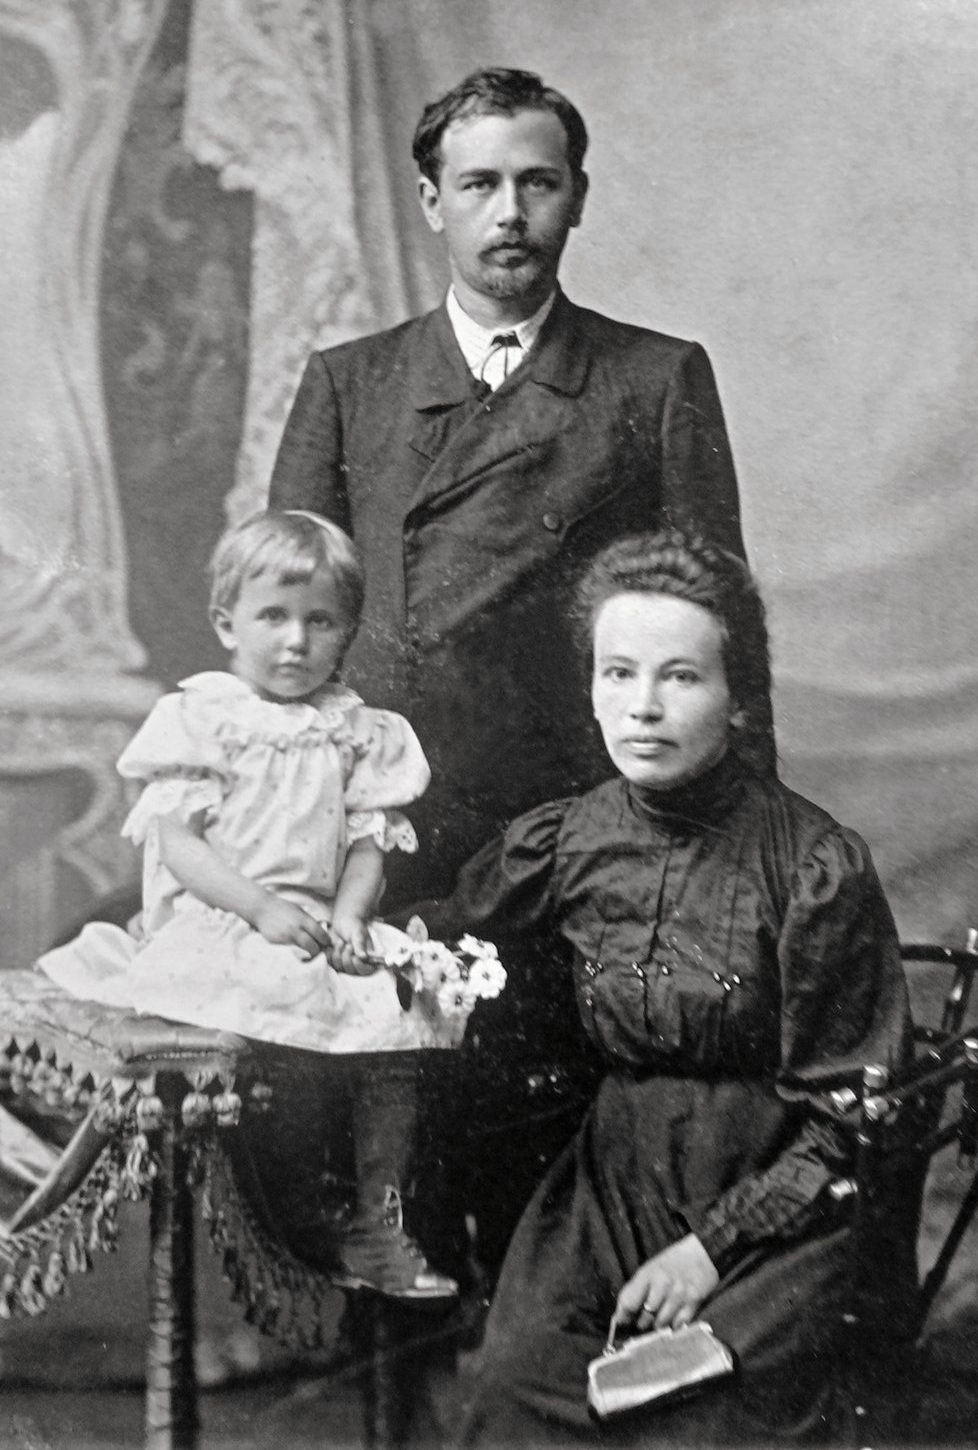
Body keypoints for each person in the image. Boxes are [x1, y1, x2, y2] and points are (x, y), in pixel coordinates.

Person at [270, 66, 768, 1260]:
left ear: (577, 200)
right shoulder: (352, 381)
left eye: (536, 184)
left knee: (538, 1130)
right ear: (430, 200)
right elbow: (285, 617)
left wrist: (733, 840)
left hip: (571, 818)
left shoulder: (651, 379)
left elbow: (718, 627)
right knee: (375, 1130)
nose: (509, 214)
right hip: (382, 815)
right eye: (479, 183)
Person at [410, 527, 913, 1445]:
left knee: (685, 1411)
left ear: (738, 698)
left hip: (783, 1206)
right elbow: (432, 934)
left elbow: (851, 1117)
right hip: (612, 1182)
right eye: (617, 673)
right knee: (519, 1388)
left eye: (679, 677)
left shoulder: (812, 867)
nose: (642, 707)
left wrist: (710, 1251)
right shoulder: (566, 840)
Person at [36, 509, 462, 1301]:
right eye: (274, 617)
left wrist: (349, 917)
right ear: (227, 622)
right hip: (226, 918)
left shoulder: (356, 731)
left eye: (320, 621)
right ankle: (301, 1211)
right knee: (285, 1017)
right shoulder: (206, 718)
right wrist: (262, 908)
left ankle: (378, 1215)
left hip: (314, 922)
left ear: (347, 631)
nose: (296, 641)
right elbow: (181, 846)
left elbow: (367, 843)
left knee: (406, 1011)